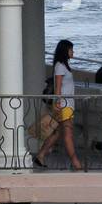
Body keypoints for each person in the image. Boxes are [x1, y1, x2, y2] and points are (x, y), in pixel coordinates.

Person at [36, 39, 82, 170]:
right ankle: (75, 162)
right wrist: (57, 102)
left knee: (57, 133)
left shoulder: (64, 65)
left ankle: (41, 154)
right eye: (71, 49)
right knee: (68, 134)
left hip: (67, 104)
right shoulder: (60, 66)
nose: (73, 51)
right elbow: (58, 85)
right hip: (64, 105)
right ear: (65, 50)